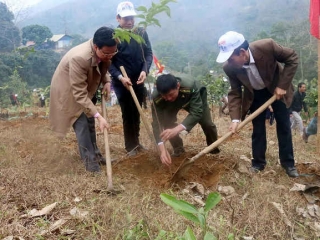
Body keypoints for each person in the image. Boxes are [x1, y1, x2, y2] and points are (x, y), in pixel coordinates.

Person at [216, 31, 299, 177]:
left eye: (231, 58)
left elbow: (292, 58)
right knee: (258, 129)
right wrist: (235, 119)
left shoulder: (267, 46)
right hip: (254, 94)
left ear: (242, 52)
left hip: (277, 89)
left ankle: (288, 164)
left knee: (284, 126)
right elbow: (235, 92)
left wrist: (283, 86)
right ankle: (258, 163)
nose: (229, 63)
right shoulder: (229, 68)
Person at [49, 26, 118, 173]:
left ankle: (97, 156)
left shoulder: (103, 51)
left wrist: (106, 81)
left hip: (86, 85)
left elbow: (102, 64)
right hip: (69, 91)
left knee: (90, 121)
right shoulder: (80, 58)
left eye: (113, 53)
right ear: (95, 47)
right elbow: (79, 94)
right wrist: (99, 116)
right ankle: (91, 165)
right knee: (82, 125)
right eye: (106, 53)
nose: (110, 56)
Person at [109, 1, 153, 156]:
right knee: (128, 113)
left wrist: (144, 70)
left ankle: (137, 142)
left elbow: (148, 53)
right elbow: (109, 62)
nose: (129, 21)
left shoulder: (141, 32)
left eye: (131, 18)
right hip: (122, 83)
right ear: (118, 18)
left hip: (138, 79)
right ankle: (130, 146)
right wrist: (120, 77)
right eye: (125, 18)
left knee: (137, 111)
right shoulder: (114, 36)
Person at [151, 73, 219, 166]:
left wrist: (177, 129)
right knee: (167, 124)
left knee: (207, 123)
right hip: (171, 104)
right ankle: (178, 149)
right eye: (165, 96)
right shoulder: (157, 97)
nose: (168, 98)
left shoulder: (190, 86)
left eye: (170, 94)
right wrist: (162, 150)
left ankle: (213, 149)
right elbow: (157, 123)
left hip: (193, 98)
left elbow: (196, 112)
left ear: (178, 86)